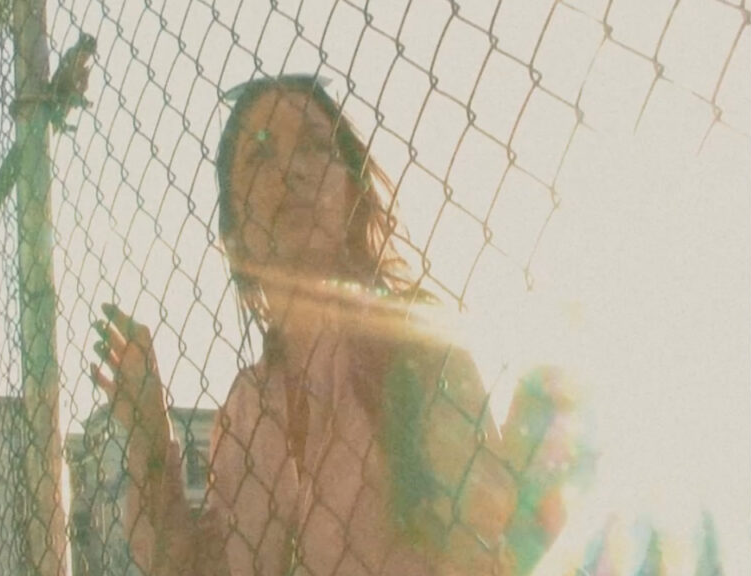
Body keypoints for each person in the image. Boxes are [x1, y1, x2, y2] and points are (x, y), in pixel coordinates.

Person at [89, 75, 587, 575]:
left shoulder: (414, 343)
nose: (291, 169)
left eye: (314, 146)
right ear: (234, 237)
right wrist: (148, 429)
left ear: (352, 192)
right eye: (259, 155)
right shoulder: (245, 409)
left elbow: (481, 543)